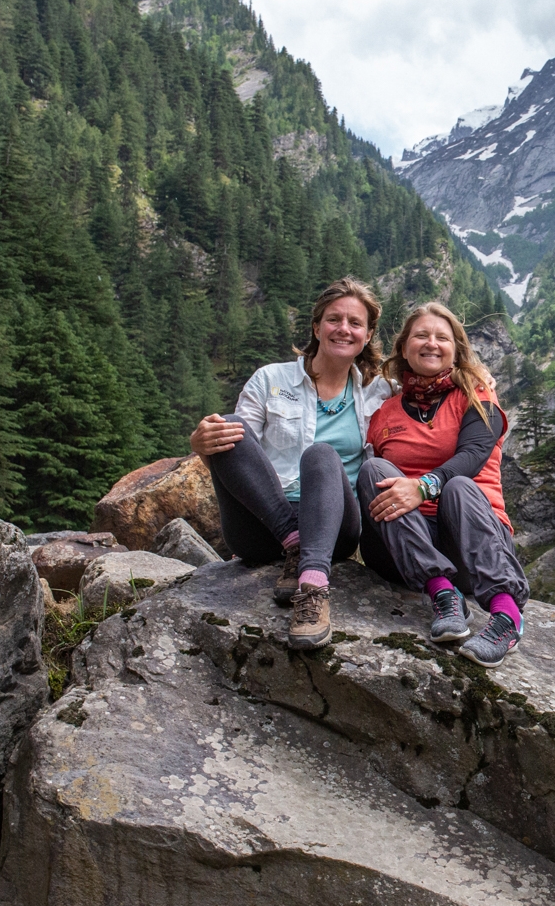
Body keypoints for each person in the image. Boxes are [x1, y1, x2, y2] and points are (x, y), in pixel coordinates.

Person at [189, 278, 392, 649]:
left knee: (320, 454)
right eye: (334, 319)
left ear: (368, 335)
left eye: (355, 323)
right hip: (262, 527)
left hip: (333, 531)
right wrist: (201, 444)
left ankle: (312, 586)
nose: (343, 329)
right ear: (316, 327)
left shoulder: (381, 391)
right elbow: (237, 453)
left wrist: (478, 381)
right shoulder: (271, 378)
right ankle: (292, 541)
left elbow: (437, 379)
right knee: (230, 425)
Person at [359, 302, 529, 667]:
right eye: (421, 335)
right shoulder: (383, 413)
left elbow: (474, 454)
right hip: (404, 549)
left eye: (442, 337)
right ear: (404, 348)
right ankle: (443, 594)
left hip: (469, 541)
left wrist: (422, 487)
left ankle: (507, 615)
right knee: (373, 470)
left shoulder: (477, 394)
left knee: (459, 486)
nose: (431, 343)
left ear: (456, 349)